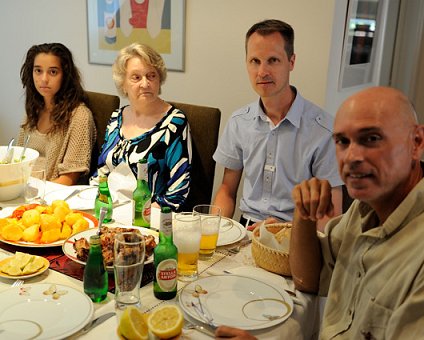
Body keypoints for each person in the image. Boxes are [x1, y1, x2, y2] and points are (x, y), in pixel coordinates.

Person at [214, 87, 424, 339]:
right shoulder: (364, 210)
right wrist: (303, 214)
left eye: (371, 139)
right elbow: (308, 279)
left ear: (417, 142)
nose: (352, 157)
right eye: (342, 142)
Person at [212, 19, 343, 230]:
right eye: (255, 61)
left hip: (298, 237)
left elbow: (332, 216)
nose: (262, 71)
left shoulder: (325, 131)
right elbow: (227, 189)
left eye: (273, 60)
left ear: (291, 62)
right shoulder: (239, 122)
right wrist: (216, 230)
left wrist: (285, 231)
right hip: (246, 232)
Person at [90, 42, 191, 211]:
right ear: (123, 83)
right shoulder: (116, 118)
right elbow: (101, 172)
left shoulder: (175, 122)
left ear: (159, 80)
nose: (145, 84)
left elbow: (178, 189)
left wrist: (141, 217)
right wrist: (95, 202)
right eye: (136, 77)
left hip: (146, 217)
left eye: (151, 76)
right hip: (109, 211)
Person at [17, 43, 96, 185]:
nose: (44, 79)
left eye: (53, 72)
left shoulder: (80, 116)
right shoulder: (33, 111)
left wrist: (34, 197)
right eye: (38, 71)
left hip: (53, 197)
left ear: (65, 75)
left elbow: (68, 180)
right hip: (24, 189)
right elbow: (17, 162)